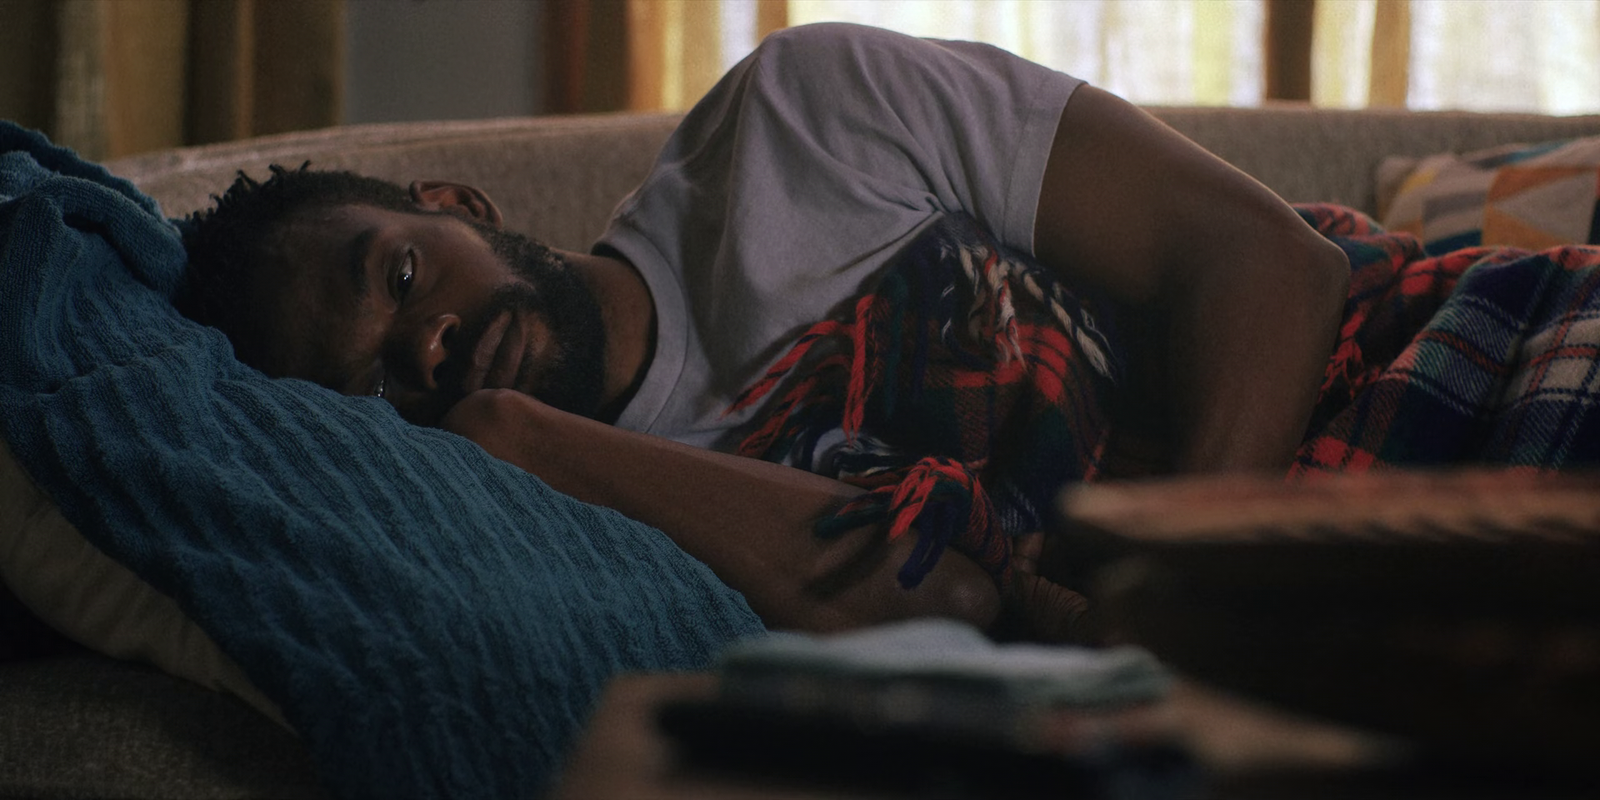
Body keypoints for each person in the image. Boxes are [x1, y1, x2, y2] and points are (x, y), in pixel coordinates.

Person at [177, 24, 1350, 639]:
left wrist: (1166, 621)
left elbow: (1276, 264)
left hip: (1403, 372)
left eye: (402, 274)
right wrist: (522, 442)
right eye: (377, 382)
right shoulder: (590, 520)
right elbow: (947, 601)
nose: (424, 344)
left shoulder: (804, 112)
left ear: (463, 207)